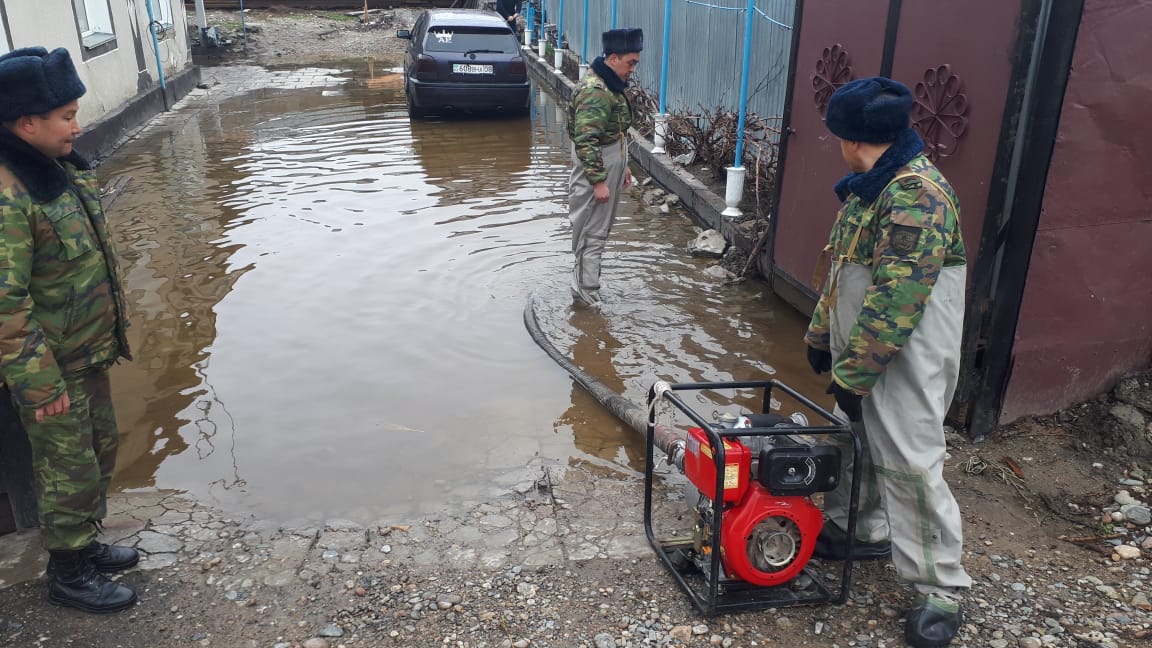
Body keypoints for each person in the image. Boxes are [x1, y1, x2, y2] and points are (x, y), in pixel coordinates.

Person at [802, 77, 971, 648]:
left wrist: (855, 373)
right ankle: (861, 529)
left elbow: (899, 297)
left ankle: (940, 588)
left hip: (904, 357)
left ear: (851, 138)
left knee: (909, 457)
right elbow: (840, 270)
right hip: (865, 353)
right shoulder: (868, 190)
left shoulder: (916, 195)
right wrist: (822, 335)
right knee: (860, 444)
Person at [0, 46, 138, 613]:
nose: (77, 126)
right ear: (26, 123)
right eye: (66, 116)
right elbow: (4, 305)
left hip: (86, 353)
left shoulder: (54, 168)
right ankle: (68, 571)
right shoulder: (10, 195)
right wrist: (40, 385)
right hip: (50, 368)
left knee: (98, 450)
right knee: (65, 467)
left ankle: (86, 541)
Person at [566, 28, 641, 307]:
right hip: (595, 167)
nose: (632, 69)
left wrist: (624, 167)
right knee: (591, 232)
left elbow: (615, 132)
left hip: (609, 162)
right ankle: (586, 300)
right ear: (612, 58)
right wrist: (598, 181)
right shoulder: (596, 92)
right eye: (630, 63)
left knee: (599, 230)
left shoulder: (610, 86)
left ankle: (587, 288)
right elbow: (586, 141)